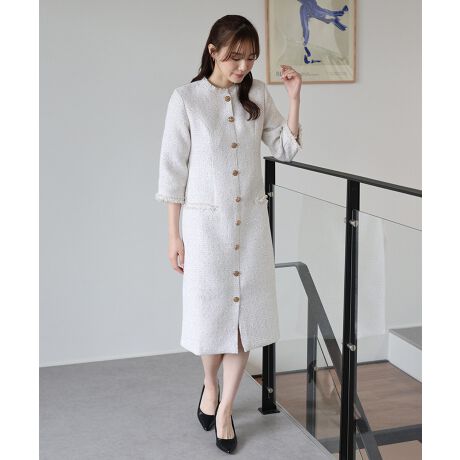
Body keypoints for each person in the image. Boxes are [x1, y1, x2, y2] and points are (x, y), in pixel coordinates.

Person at [155, 14, 303, 454]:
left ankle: (225, 410)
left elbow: (285, 149)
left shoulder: (257, 94)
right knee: (210, 319)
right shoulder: (186, 100)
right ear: (213, 51)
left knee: (245, 323)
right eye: (236, 56)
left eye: (251, 58)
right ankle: (210, 383)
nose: (243, 66)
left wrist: (295, 98)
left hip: (252, 228)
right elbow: (172, 172)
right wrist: (174, 236)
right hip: (205, 230)